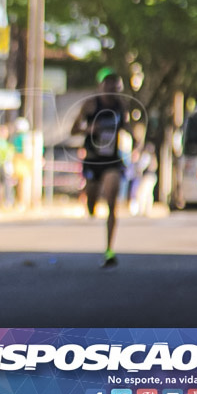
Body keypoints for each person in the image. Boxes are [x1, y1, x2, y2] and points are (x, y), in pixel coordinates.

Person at [71, 70, 130, 268]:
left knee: (112, 198)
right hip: (93, 159)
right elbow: (73, 129)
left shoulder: (121, 106)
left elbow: (126, 128)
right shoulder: (90, 105)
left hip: (112, 159)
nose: (112, 90)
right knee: (92, 201)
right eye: (109, 85)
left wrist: (136, 142)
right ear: (101, 86)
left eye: (116, 86)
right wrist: (89, 129)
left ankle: (109, 249)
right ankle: (91, 204)